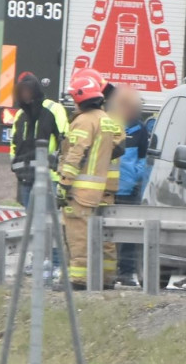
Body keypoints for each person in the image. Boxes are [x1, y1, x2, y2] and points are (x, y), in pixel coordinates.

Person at [57, 70, 123, 290]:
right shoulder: (107, 120)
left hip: (81, 192)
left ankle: (78, 280)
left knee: (78, 236)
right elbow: (117, 147)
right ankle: (106, 279)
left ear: (79, 98)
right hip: (103, 189)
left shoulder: (84, 122)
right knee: (105, 237)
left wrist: (64, 183)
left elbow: (76, 154)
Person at [9, 72, 69, 207]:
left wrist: (55, 162)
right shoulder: (20, 115)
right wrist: (16, 167)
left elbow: (65, 140)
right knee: (29, 222)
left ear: (35, 90)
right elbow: (14, 144)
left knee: (47, 221)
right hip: (26, 178)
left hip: (49, 177)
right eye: (22, 91)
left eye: (28, 90)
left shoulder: (54, 109)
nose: (25, 94)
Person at [111, 87, 149, 287]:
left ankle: (126, 273)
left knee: (128, 236)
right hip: (108, 188)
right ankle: (106, 270)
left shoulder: (140, 129)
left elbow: (144, 158)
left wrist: (136, 177)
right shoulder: (108, 124)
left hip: (129, 189)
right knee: (107, 234)